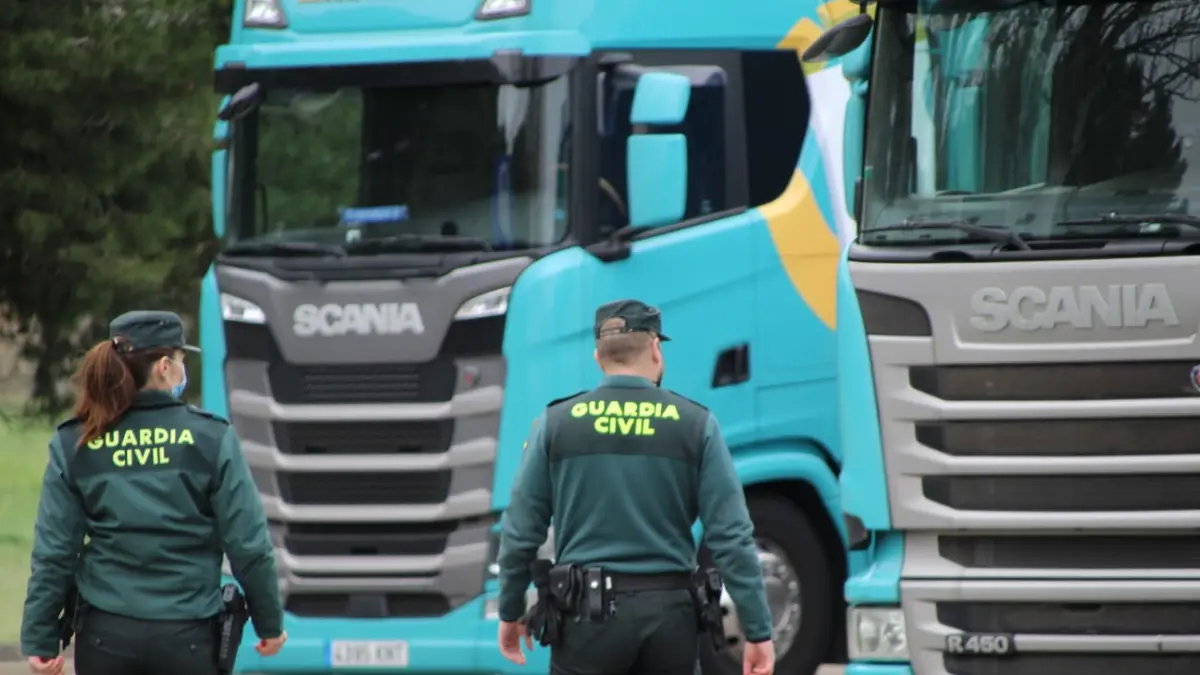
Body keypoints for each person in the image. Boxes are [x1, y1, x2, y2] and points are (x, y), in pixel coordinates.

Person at [495, 299, 776, 675]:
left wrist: (510, 610)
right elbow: (732, 536)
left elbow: (520, 532)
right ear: (656, 349)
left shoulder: (556, 423)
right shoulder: (695, 424)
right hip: (671, 619)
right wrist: (757, 630)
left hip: (586, 622)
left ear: (598, 357)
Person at [20, 311, 287, 675]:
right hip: (189, 638)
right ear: (164, 367)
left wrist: (40, 637)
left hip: (104, 639)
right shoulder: (211, 438)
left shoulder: (77, 441)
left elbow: (55, 551)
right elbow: (249, 545)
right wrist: (269, 623)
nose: (182, 369)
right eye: (180, 359)